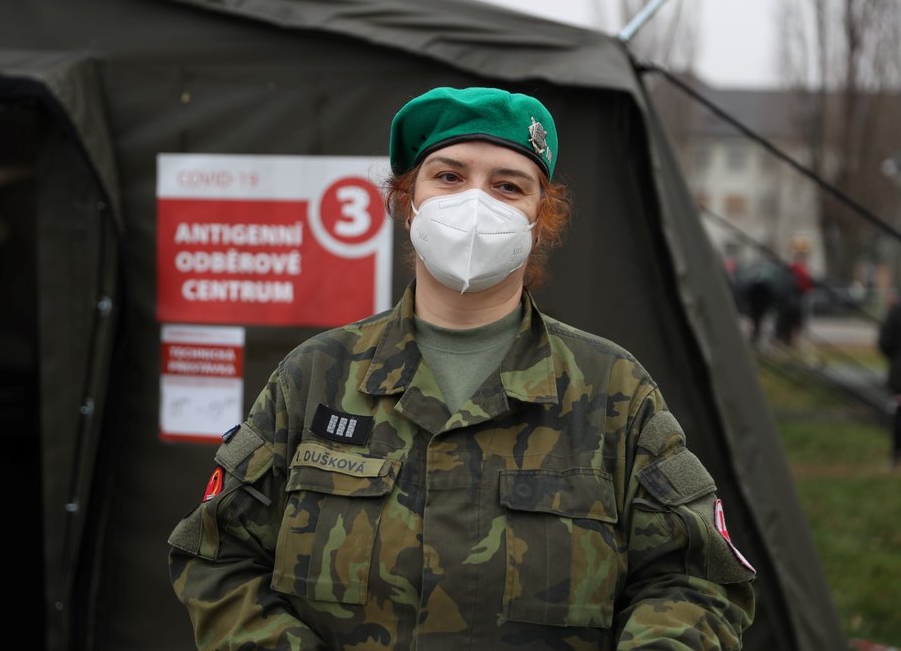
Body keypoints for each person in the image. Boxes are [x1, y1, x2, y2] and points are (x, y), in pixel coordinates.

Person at [167, 86, 756, 649]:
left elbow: (693, 578)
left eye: (508, 186)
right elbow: (219, 556)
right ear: (407, 202)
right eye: (449, 176)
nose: (476, 202)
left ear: (539, 219)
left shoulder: (613, 390)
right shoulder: (314, 377)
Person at [877, 295, 901, 469]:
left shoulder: (895, 313)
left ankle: (896, 456)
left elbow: (884, 343)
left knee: (899, 413)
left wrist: (895, 359)